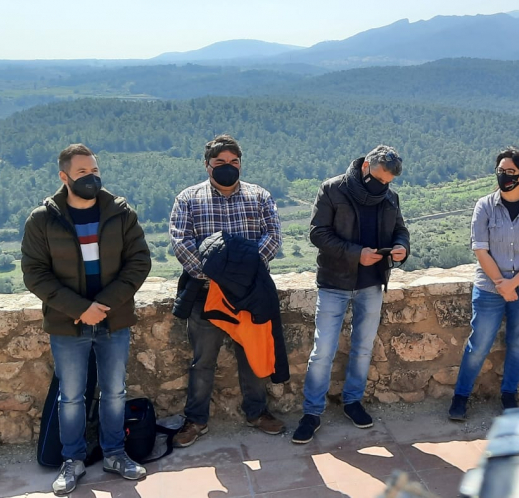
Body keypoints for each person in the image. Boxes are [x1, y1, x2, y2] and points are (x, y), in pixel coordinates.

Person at [21, 144, 151, 495]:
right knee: (70, 396)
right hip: (68, 323)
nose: (91, 178)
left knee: (115, 392)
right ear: (64, 177)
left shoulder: (120, 213)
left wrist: (103, 305)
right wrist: (80, 309)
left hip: (113, 319)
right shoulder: (42, 219)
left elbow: (139, 262)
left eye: (94, 170)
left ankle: (115, 454)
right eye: (82, 172)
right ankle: (72, 460)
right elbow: (35, 274)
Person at [170, 134, 285, 447]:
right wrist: (220, 277)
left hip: (250, 295)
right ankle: (196, 419)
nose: (228, 166)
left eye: (234, 161)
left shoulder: (259, 196)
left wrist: (240, 277)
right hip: (206, 294)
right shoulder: (188, 199)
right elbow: (182, 244)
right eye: (220, 162)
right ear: (207, 165)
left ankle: (257, 413)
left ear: (241, 164)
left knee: (252, 354)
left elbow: (272, 237)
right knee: (203, 360)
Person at [293, 145, 409, 444]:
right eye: (380, 179)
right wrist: (357, 254)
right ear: (366, 167)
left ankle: (353, 401)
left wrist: (401, 247)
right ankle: (311, 412)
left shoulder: (390, 197)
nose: (383, 186)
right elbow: (318, 233)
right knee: (323, 351)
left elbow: (400, 229)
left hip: (372, 283)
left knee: (363, 348)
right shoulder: (333, 189)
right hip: (334, 282)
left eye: (388, 182)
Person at [449, 147, 519, 421]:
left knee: (518, 343)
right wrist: (500, 283)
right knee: (479, 344)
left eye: (510, 172)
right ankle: (460, 396)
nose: (504, 175)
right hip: (489, 288)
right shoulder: (484, 206)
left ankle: (509, 395)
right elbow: (480, 250)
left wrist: (513, 284)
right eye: (501, 170)